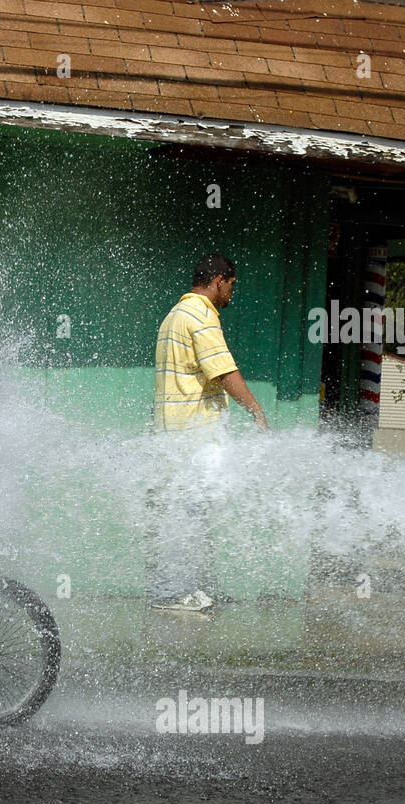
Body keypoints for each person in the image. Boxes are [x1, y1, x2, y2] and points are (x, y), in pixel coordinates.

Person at [150, 253, 267, 613]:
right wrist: (257, 413)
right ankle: (170, 594)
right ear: (219, 281)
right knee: (187, 514)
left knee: (183, 513)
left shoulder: (174, 315)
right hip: (194, 437)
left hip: (174, 435)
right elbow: (224, 371)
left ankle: (178, 588)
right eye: (232, 285)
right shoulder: (201, 316)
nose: (233, 292)